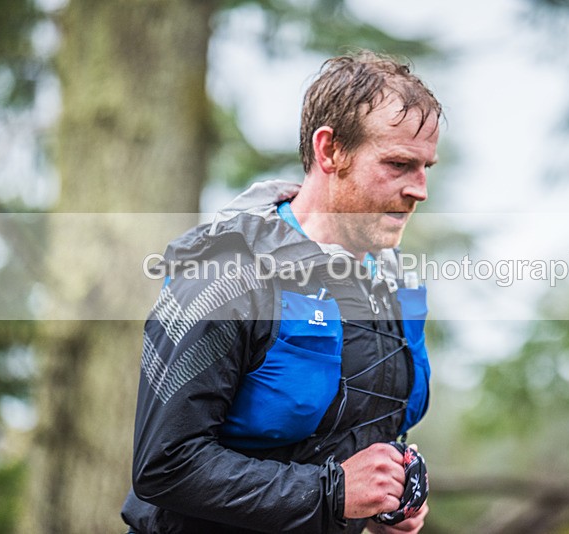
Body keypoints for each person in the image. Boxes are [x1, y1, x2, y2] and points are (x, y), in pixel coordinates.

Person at [121, 49, 442, 534]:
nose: (419, 189)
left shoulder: (393, 283)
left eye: (425, 168)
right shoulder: (227, 274)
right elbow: (164, 466)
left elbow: (348, 444)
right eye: (398, 164)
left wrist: (385, 499)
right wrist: (333, 493)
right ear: (329, 150)